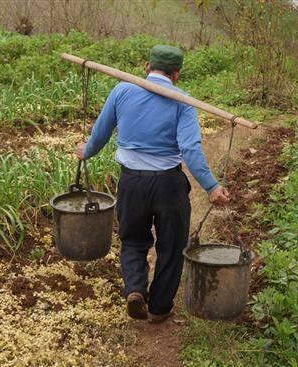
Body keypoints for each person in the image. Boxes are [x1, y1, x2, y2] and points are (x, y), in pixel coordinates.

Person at [76, 45, 229, 323]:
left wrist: (86, 151)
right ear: (177, 74)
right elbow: (191, 149)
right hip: (168, 185)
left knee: (133, 240)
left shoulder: (122, 91)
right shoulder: (183, 101)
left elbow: (100, 133)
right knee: (171, 245)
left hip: (131, 182)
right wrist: (212, 187)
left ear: (147, 67)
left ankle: (135, 289)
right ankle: (159, 308)